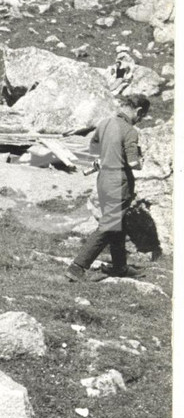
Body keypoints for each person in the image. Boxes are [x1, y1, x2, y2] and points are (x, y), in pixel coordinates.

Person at [68, 94, 149, 281]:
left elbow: (93, 146)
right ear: (138, 111)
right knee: (109, 225)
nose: (140, 120)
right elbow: (134, 163)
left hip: (103, 181)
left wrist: (100, 159)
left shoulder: (104, 123)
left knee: (117, 224)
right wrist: (141, 160)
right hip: (119, 184)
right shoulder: (130, 131)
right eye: (142, 116)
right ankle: (77, 267)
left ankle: (120, 267)